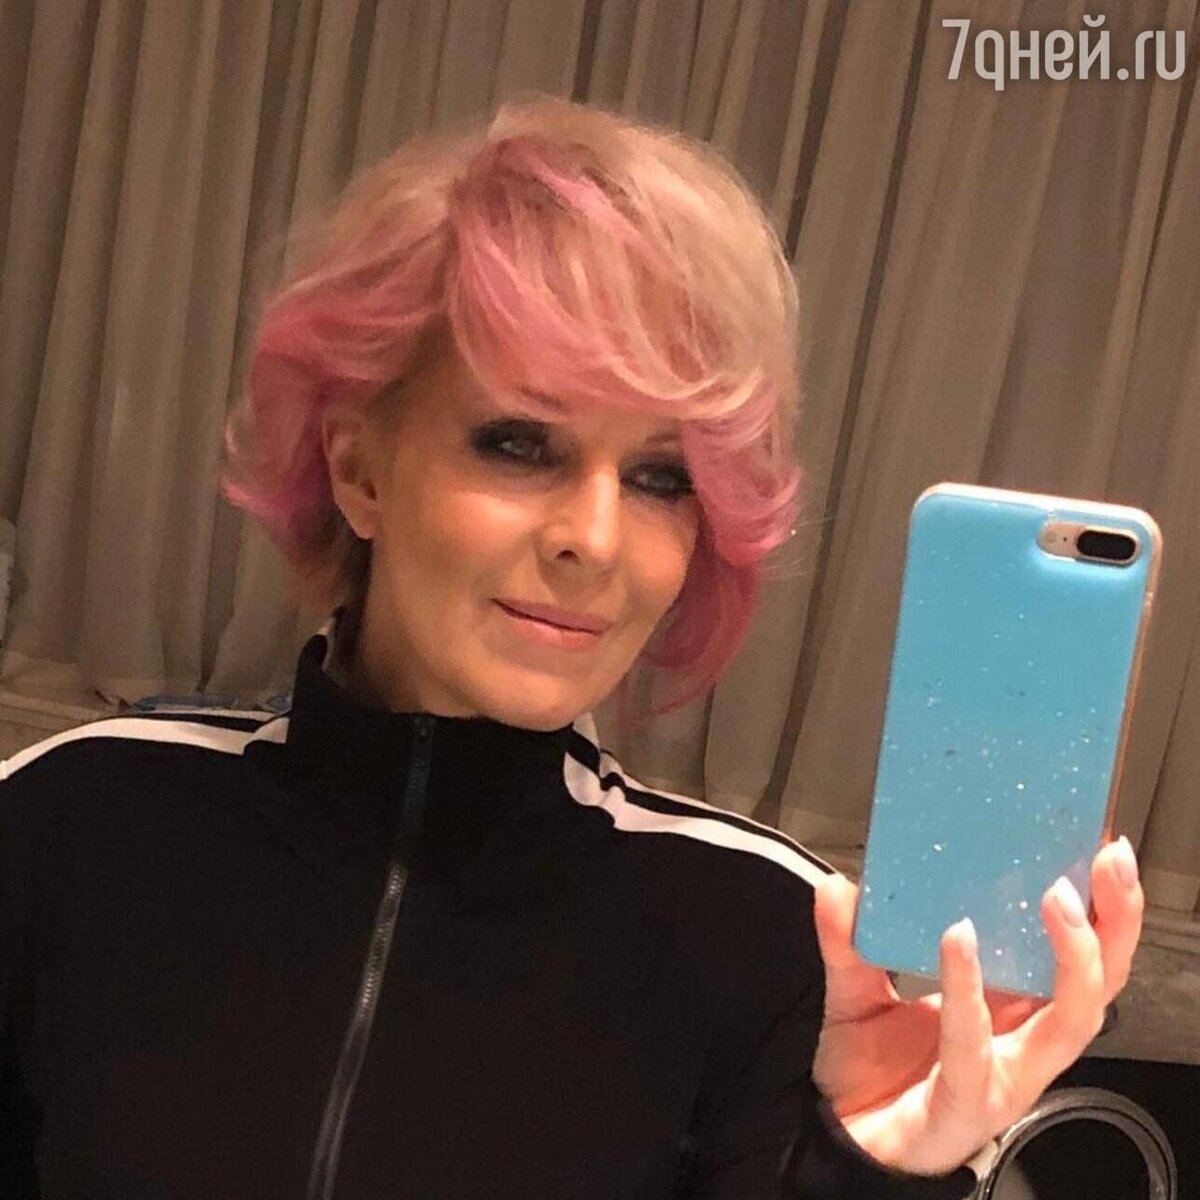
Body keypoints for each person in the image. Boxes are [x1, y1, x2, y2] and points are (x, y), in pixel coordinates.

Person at [0, 96, 1143, 1199]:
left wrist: (870, 1176)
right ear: (359, 470)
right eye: (519, 444)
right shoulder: (73, 819)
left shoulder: (765, 932)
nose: (595, 540)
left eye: (660, 477)